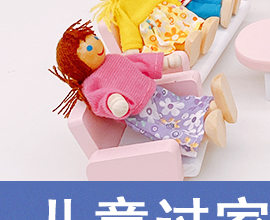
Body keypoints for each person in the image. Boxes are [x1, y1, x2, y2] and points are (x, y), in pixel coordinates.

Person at [51, 21, 236, 155]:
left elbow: (139, 62)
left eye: (94, 38)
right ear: (77, 65)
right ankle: (207, 132)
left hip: (155, 94)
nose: (96, 45)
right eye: (89, 49)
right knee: (167, 127)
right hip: (140, 114)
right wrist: (113, 102)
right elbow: (98, 101)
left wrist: (164, 62)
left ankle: (212, 107)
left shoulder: (114, 58)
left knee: (181, 106)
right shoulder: (91, 84)